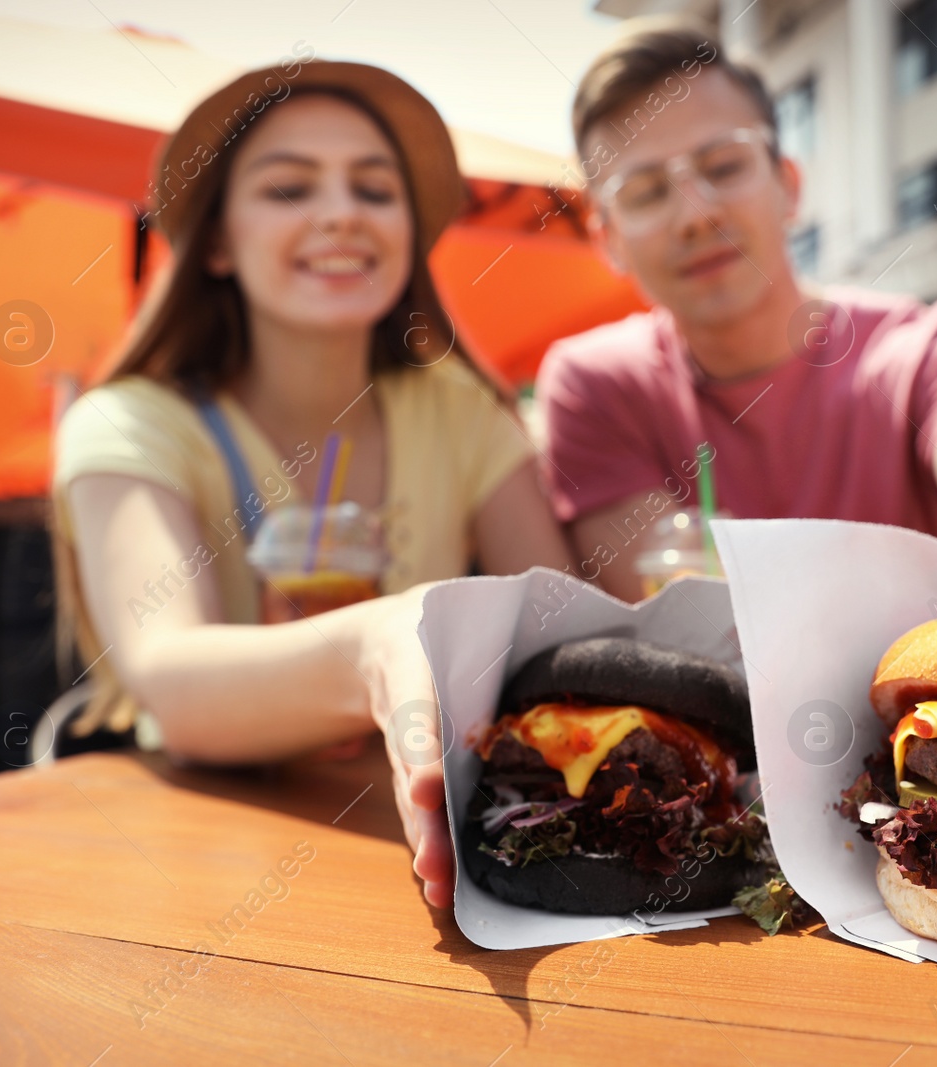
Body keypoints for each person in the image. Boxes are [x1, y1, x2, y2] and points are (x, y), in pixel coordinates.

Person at [51, 60, 568, 907]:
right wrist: (377, 642)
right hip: (192, 861)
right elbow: (169, 680)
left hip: (432, 859)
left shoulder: (467, 415)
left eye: (374, 190)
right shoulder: (130, 424)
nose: (339, 214)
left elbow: (554, 631)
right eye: (289, 190)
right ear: (216, 240)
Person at [537, 21, 937, 601]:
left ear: (789, 184)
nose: (696, 215)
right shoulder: (594, 388)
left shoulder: (932, 353)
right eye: (646, 193)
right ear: (609, 238)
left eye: (724, 166)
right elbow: (671, 609)